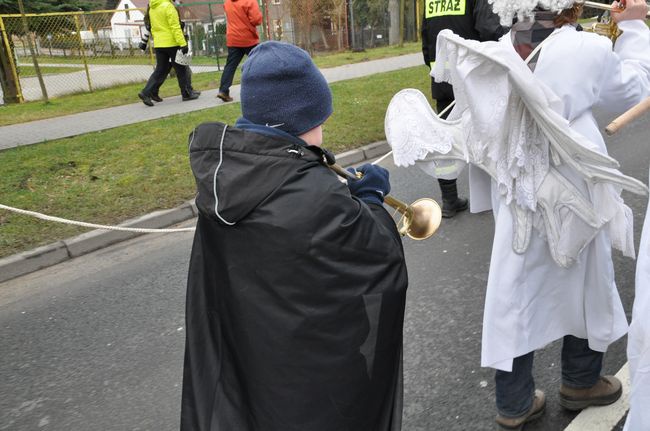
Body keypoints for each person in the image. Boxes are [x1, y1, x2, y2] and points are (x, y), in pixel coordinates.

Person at [440, 0, 649, 429]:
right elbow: (634, 87)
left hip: (518, 191)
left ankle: (514, 402)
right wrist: (635, 26)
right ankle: (580, 380)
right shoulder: (585, 50)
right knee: (587, 276)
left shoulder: (496, 49)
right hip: (576, 187)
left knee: (514, 288)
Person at [181, 41, 409, 431]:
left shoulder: (227, 174)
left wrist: (337, 196)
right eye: (321, 120)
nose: (323, 129)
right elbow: (378, 258)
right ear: (301, 120)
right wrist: (370, 202)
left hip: (251, 363)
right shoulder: (317, 196)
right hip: (311, 383)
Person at [420, 0, 508, 217]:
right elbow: (490, 30)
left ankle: (449, 200)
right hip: (472, 80)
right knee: (488, 133)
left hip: (442, 81)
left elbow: (425, 41)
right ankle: (497, 192)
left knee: (446, 140)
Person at [138, 0, 199, 106]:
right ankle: (186, 94)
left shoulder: (152, 7)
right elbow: (175, 27)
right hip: (172, 43)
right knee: (181, 69)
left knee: (160, 70)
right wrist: (183, 44)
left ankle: (146, 92)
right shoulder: (168, 6)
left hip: (159, 44)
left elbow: (153, 27)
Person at [215, 0, 263, 102]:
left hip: (233, 39)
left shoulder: (227, 2)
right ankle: (262, 89)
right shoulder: (249, 1)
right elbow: (256, 20)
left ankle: (223, 91)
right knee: (258, 63)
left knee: (230, 66)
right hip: (248, 38)